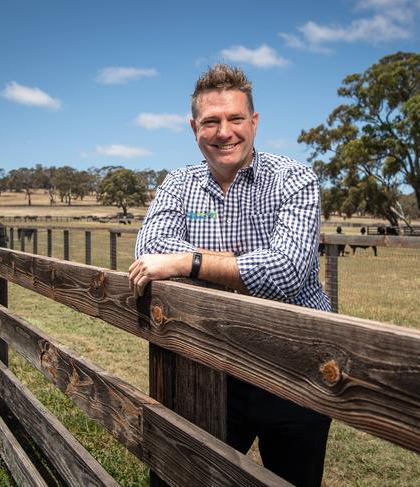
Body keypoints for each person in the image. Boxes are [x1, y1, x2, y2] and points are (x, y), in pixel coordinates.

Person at [128, 63, 332, 486]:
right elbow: (149, 255)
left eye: (236, 118)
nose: (225, 132)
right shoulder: (178, 184)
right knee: (189, 473)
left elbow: (289, 270)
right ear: (194, 128)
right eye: (212, 121)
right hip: (212, 365)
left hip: (294, 363)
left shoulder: (293, 179)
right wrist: (247, 262)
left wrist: (189, 261)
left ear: (254, 122)